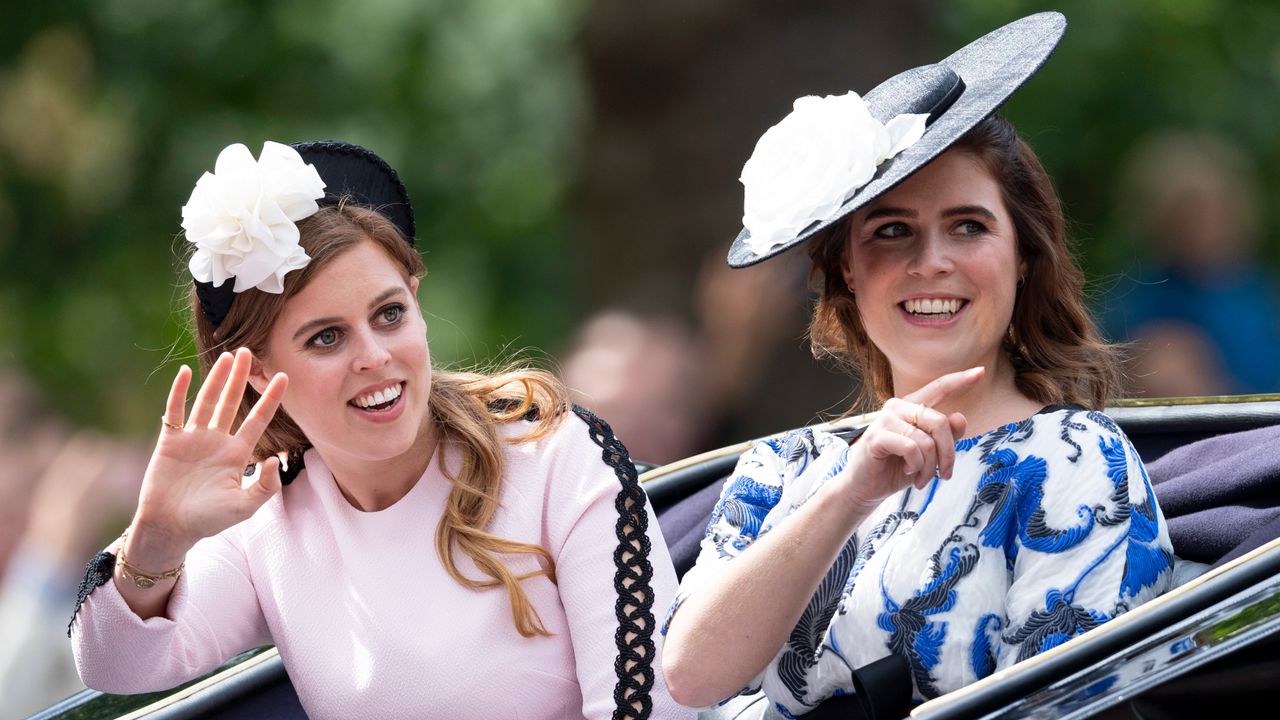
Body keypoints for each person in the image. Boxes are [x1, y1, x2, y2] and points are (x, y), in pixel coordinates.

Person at [660, 12, 1175, 716]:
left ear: (1022, 258)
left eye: (968, 226)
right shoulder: (781, 469)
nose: (932, 261)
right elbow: (687, 680)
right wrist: (849, 494)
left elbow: (1072, 704)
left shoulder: (1073, 456)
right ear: (845, 270)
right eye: (892, 231)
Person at [68, 140, 690, 719]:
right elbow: (117, 665)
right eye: (327, 337)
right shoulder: (266, 514)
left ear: (416, 301)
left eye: (389, 314)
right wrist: (155, 539)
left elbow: (654, 708)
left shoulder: (551, 451)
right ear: (259, 370)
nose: (373, 356)